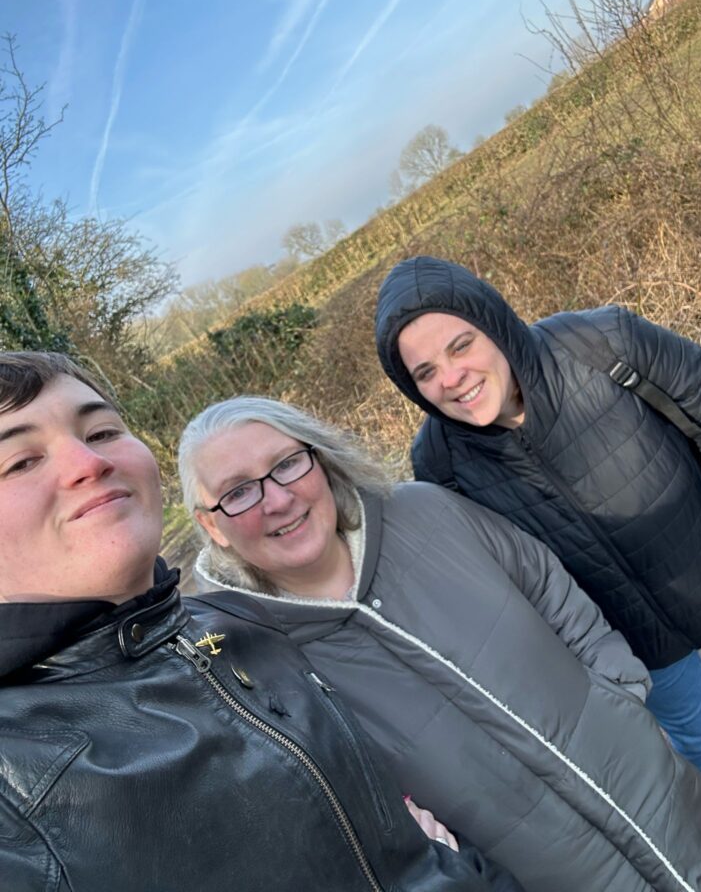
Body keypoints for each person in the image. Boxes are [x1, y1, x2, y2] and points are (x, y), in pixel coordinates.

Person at [179, 394, 701, 892]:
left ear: (320, 460)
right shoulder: (251, 667)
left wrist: (622, 692)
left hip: (673, 803)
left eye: (287, 464)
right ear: (212, 525)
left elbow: (544, 580)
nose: (277, 499)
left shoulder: (425, 510)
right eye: (237, 492)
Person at [0, 351, 523, 892]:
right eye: (19, 461)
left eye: (103, 431)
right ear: (210, 524)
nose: (87, 461)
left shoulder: (238, 624)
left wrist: (449, 858)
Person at [374, 253, 701, 840]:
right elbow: (497, 583)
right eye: (426, 372)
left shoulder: (600, 342)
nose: (451, 378)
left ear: (494, 324)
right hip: (640, 646)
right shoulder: (440, 462)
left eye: (461, 346)